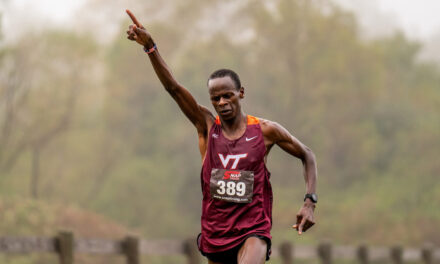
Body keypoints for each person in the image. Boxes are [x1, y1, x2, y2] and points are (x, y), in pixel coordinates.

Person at [125, 9, 318, 264]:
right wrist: (151, 48)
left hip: (253, 230)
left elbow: (307, 155)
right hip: (216, 234)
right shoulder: (206, 127)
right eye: (216, 98)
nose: (222, 102)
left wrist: (309, 201)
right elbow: (173, 88)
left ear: (241, 93)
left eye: (228, 95)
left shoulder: (265, 130)